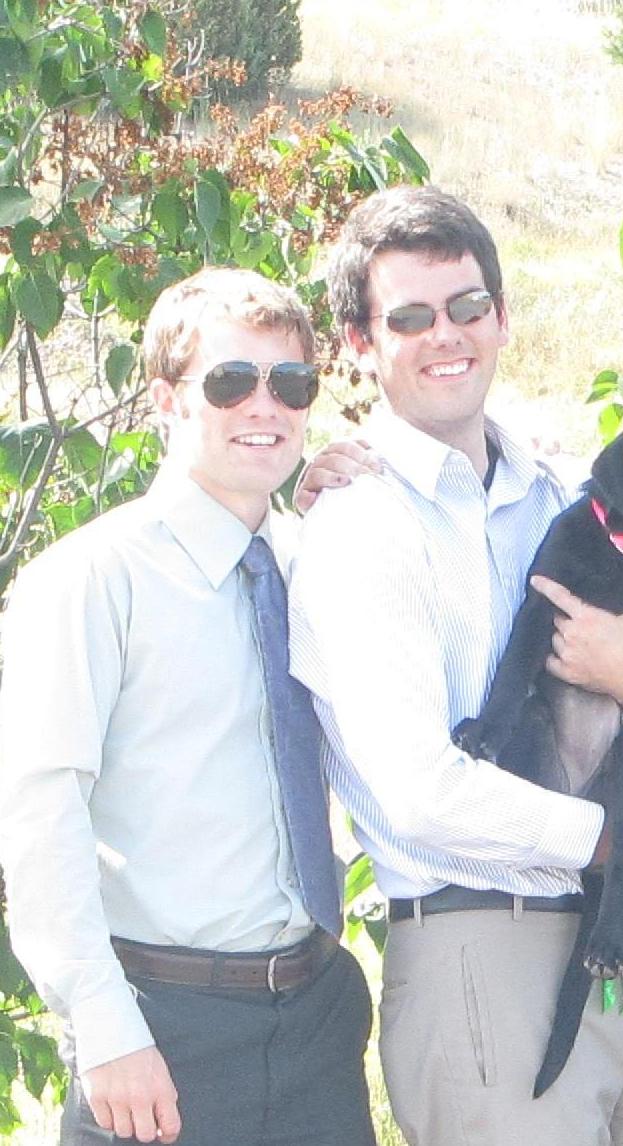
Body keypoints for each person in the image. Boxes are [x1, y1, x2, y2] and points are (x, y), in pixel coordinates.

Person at [287, 185, 623, 1146]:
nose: (446, 334)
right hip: (477, 942)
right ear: (360, 342)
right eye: (409, 317)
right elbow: (419, 793)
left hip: (614, 936)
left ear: (501, 316)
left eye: (467, 305)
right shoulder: (359, 526)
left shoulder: (574, 493)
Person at [0, 268, 376, 1146]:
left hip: (317, 1018)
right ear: (166, 399)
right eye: (231, 381)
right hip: (160, 1030)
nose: (266, 406)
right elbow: (38, 811)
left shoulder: (319, 560)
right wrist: (104, 1026)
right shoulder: (92, 580)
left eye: (291, 383)